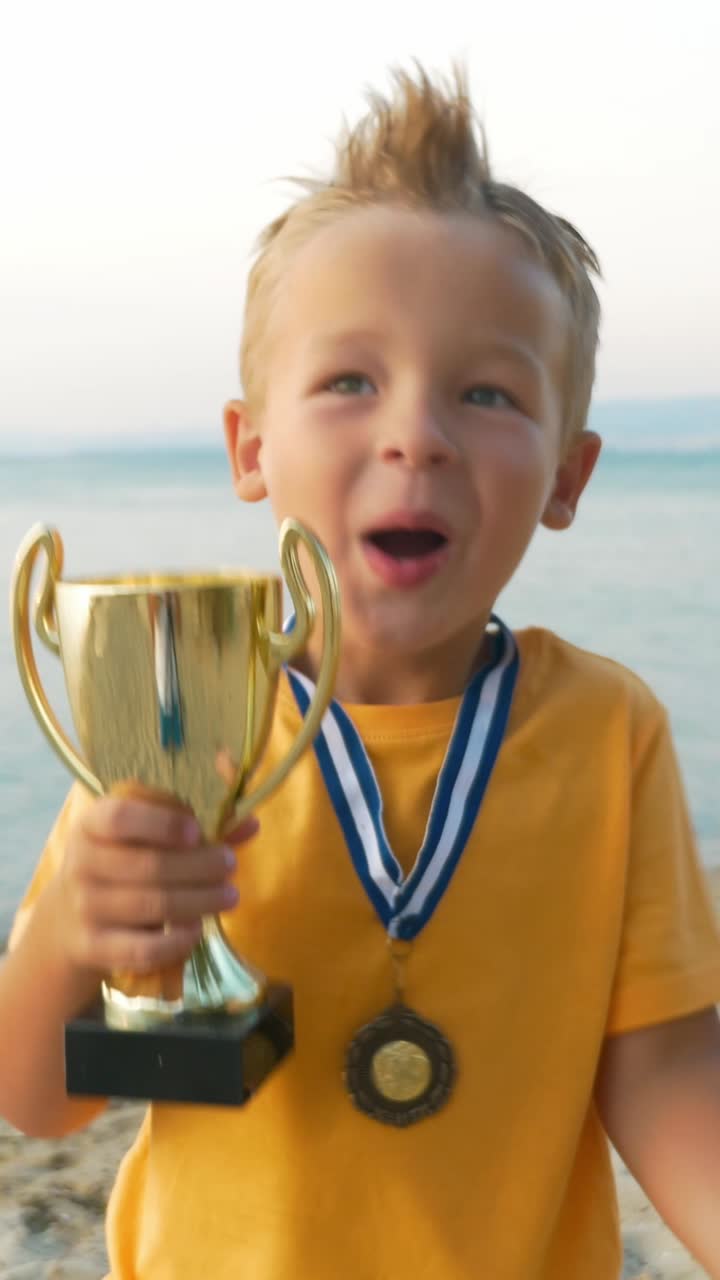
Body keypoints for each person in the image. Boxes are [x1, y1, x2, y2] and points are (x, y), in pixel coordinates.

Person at [2, 65, 720, 1280]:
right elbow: (39, 1098)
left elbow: (658, 1065)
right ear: (251, 446)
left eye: (487, 392)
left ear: (567, 477)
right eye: (349, 381)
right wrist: (75, 922)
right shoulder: (180, 715)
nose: (415, 433)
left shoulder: (609, 731)